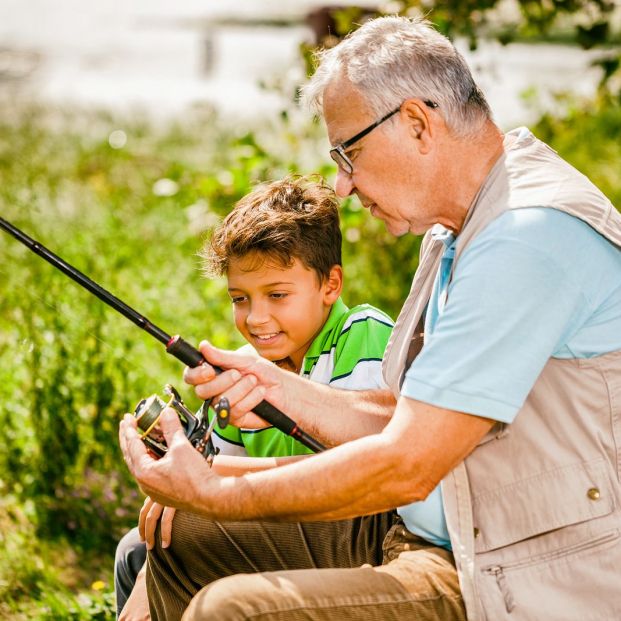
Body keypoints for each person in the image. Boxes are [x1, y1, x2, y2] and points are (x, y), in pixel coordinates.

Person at [120, 15, 621, 621]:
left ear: (417, 122)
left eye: (349, 151)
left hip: (507, 569)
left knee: (234, 611)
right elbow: (405, 416)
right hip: (443, 529)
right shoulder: (463, 228)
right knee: (183, 541)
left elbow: (407, 463)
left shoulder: (526, 236)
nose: (344, 184)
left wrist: (220, 490)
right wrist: (273, 385)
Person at [114, 175, 395, 618]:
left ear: (330, 285)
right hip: (286, 517)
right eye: (239, 299)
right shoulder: (242, 368)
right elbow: (217, 466)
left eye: (277, 295)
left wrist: (197, 483)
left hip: (357, 525)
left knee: (182, 528)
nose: (256, 317)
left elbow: (359, 467)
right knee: (139, 546)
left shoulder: (361, 332)